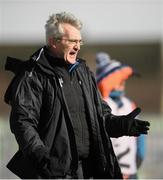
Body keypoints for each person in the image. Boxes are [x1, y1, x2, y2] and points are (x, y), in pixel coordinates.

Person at [4, 12, 150, 179]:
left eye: (80, 41)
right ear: (53, 41)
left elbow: (100, 117)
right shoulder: (32, 75)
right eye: (72, 41)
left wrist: (123, 125)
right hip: (52, 173)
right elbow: (23, 122)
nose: (78, 46)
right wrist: (38, 153)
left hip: (86, 172)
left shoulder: (84, 73)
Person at [96, 52, 146, 179]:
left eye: (124, 80)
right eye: (120, 80)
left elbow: (139, 137)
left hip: (130, 172)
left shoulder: (129, 103)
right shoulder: (99, 102)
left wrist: (138, 158)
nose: (123, 83)